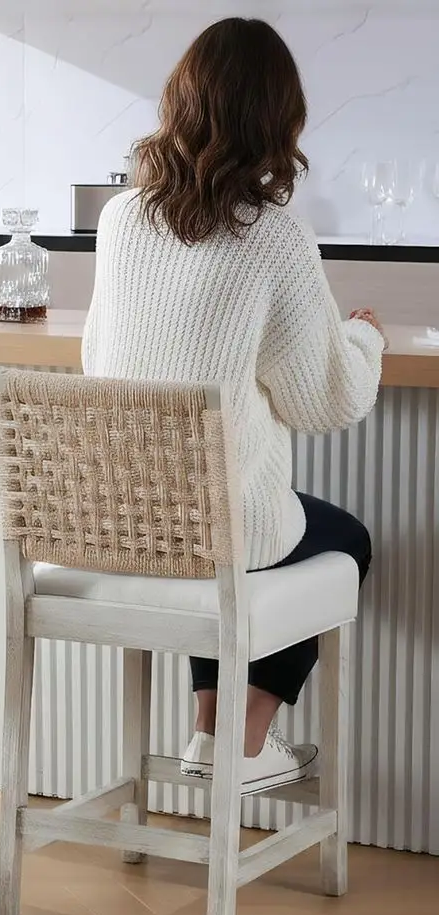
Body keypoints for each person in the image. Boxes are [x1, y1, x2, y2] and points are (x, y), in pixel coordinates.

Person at [81, 17, 384, 793]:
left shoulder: (120, 220)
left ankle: (208, 735)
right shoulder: (274, 237)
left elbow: (96, 362)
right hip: (206, 530)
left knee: (209, 522)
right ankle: (242, 743)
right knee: (336, 536)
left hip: (118, 522)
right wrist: (363, 339)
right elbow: (329, 399)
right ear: (278, 122)